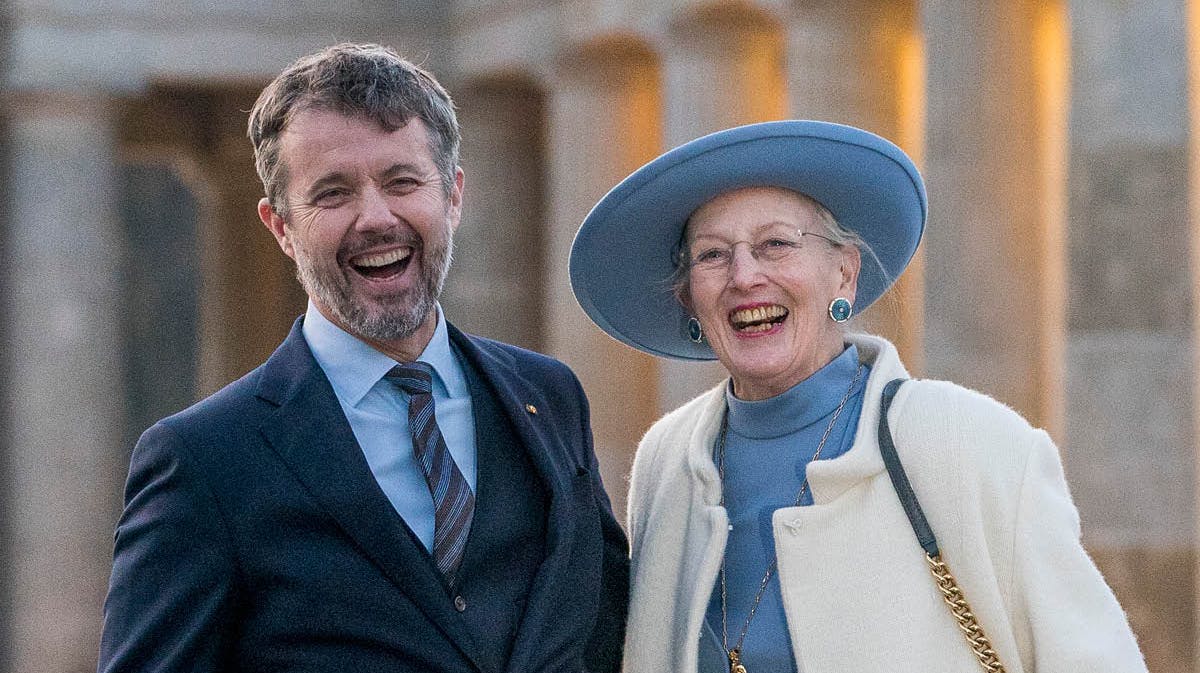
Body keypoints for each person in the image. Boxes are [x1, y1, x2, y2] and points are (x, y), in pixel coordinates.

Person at [98, 43, 628, 673]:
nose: (376, 218)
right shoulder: (203, 461)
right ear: (281, 227)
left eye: (402, 181)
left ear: (453, 195)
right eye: (333, 193)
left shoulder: (551, 398)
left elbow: (607, 629)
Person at [569, 120, 1146, 672]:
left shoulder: (973, 443)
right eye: (712, 255)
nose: (744, 276)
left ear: (844, 275)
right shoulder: (665, 463)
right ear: (689, 298)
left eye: (775, 244)